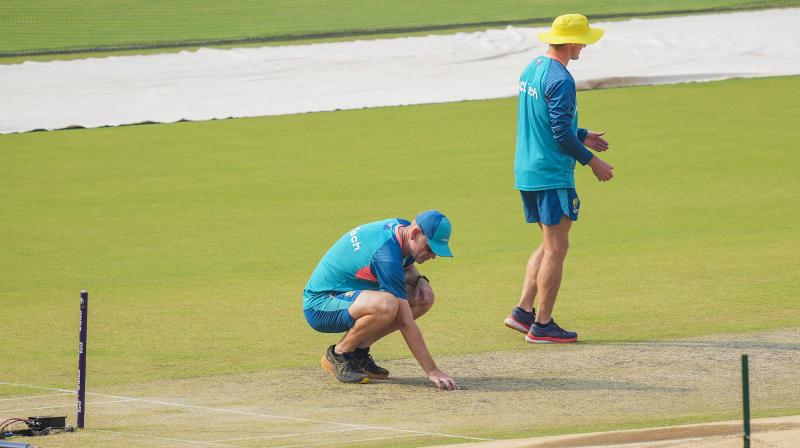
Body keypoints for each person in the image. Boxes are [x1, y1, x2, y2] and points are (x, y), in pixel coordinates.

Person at [504, 14, 615, 344]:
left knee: (549, 242)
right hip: (551, 173)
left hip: (527, 170)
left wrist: (580, 133)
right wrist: (592, 160)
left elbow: (548, 122)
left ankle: (523, 312)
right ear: (569, 42)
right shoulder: (562, 79)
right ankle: (543, 324)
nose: (584, 46)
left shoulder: (532, 68)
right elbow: (558, 134)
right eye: (582, 40)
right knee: (557, 248)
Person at [303, 210, 459, 390]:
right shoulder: (387, 257)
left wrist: (420, 280)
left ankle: (358, 354)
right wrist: (432, 370)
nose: (433, 256)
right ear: (415, 234)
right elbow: (405, 322)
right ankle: (339, 355)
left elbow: (406, 264)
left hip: (347, 294)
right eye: (430, 248)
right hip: (320, 305)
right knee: (387, 305)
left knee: (423, 298)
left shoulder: (402, 228)